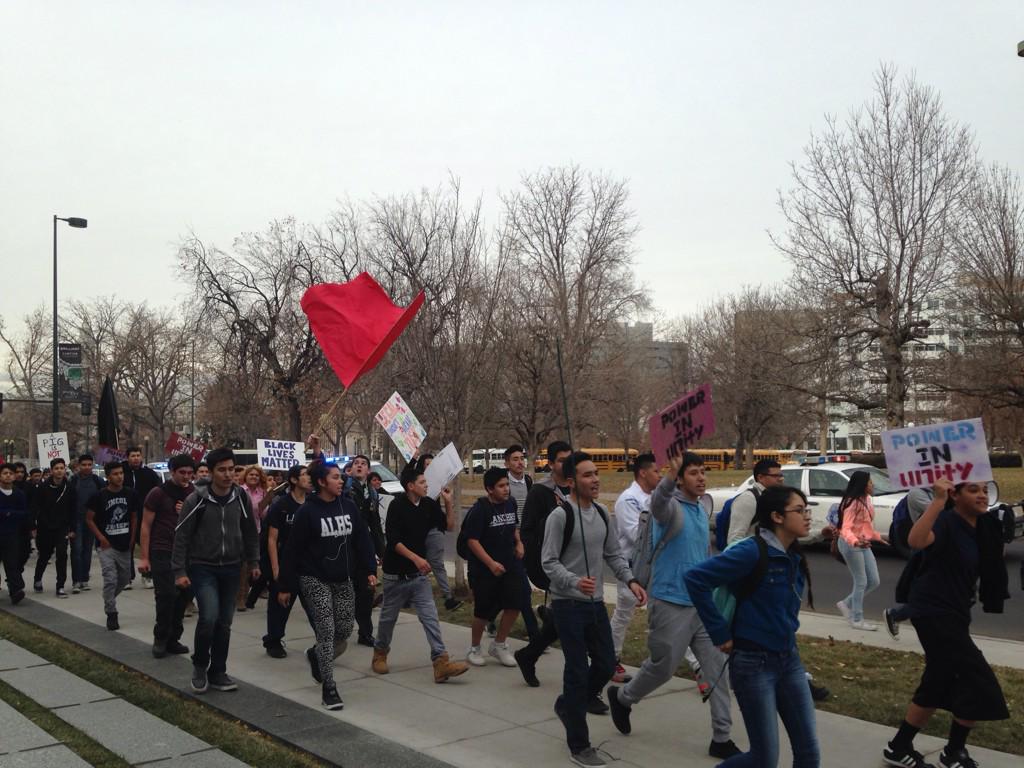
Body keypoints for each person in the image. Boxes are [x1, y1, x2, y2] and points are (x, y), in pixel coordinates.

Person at [607, 452, 740, 761]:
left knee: (718, 668)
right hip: (669, 601)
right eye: (694, 472)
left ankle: (721, 737)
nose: (702, 477)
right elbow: (657, 501)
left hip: (701, 606)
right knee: (663, 668)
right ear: (680, 478)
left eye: (703, 471)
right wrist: (670, 474)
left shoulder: (700, 509)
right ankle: (624, 698)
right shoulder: (668, 509)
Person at [685, 485, 820, 768]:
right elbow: (696, 579)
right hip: (753, 665)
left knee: (808, 754)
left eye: (807, 510)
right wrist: (719, 632)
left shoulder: (791, 554)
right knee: (763, 759)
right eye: (799, 510)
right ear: (777, 517)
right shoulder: (750, 552)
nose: (807, 516)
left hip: (789, 661)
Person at [882, 478, 1009, 768]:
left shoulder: (983, 525)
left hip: (956, 612)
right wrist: (938, 502)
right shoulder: (947, 521)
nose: (982, 495)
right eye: (973, 490)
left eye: (984, 490)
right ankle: (953, 752)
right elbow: (916, 541)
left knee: (938, 681)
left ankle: (898, 747)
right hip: (933, 613)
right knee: (980, 684)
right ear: (956, 494)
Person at [542, 451, 647, 768]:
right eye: (587, 475)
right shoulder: (560, 517)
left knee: (604, 665)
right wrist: (574, 581)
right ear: (572, 482)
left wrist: (630, 581)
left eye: (596, 473)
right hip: (567, 604)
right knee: (575, 672)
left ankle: (567, 705)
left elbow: (614, 555)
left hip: (595, 603)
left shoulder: (602, 513)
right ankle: (579, 744)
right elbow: (548, 561)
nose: (596, 479)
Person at [277, 461, 377, 711]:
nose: (341, 481)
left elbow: (362, 540)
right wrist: (285, 585)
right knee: (326, 630)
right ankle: (329, 687)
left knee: (343, 632)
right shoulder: (307, 513)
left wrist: (369, 571)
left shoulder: (350, 507)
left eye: (341, 477)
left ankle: (316, 655)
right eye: (335, 477)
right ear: (321, 482)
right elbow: (292, 551)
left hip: (344, 580)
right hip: (314, 579)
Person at [172, 447, 260, 695]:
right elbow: (182, 536)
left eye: (231, 469)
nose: (228, 474)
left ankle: (218, 671)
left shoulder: (240, 498)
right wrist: (179, 570)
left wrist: (253, 562)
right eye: (222, 470)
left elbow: (251, 532)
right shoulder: (196, 499)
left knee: (225, 622)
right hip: (203, 567)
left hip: (232, 568)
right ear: (210, 473)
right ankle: (200, 665)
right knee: (208, 617)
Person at [372, 464, 470, 684]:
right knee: (388, 619)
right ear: (410, 486)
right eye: (423, 482)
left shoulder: (427, 504)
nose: (427, 486)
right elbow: (394, 541)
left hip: (418, 577)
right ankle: (380, 653)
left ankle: (441, 663)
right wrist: (416, 558)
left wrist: (447, 503)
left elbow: (450, 527)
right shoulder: (397, 506)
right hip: (395, 575)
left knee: (431, 618)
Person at [513, 440, 574, 687]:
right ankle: (586, 682)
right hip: (553, 566)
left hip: (577, 564)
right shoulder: (541, 492)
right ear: (550, 464)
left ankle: (528, 655)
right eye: (561, 460)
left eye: (570, 458)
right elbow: (527, 531)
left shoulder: (577, 487)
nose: (567, 464)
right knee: (574, 622)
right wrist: (555, 516)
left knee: (563, 620)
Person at [609, 452, 660, 684]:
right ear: (643, 472)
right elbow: (635, 535)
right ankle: (611, 659)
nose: (660, 476)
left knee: (666, 612)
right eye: (656, 471)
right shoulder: (628, 500)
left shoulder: (657, 497)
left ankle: (697, 665)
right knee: (623, 614)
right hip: (631, 568)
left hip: (654, 566)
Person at [464, 467, 522, 667]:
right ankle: (474, 648)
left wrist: (519, 543)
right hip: (485, 569)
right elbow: (472, 541)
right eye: (501, 486)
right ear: (489, 489)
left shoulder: (511, 503)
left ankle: (499, 644)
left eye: (507, 485)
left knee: (515, 604)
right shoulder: (480, 509)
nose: (506, 489)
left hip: (509, 564)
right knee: (483, 611)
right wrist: (490, 563)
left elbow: (514, 526)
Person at [139, 454, 195, 657]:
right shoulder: (158, 493)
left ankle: (174, 638)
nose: (186, 477)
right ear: (172, 472)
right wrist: (144, 557)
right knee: (166, 596)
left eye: (190, 473)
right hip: (162, 550)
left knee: (184, 596)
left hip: (185, 553)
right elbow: (145, 526)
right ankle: (160, 638)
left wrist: (186, 512)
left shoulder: (194, 493)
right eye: (182, 473)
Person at [262, 464, 313, 658]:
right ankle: (274, 641)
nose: (308, 478)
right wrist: (276, 569)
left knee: (316, 607)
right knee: (280, 606)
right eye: (304, 475)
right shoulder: (281, 505)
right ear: (293, 480)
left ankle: (326, 641)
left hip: (309, 566)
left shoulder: (312, 503)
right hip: (286, 565)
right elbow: (272, 539)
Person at [86, 462, 140, 630]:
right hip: (107, 545)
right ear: (108, 477)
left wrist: (132, 538)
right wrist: (101, 537)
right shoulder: (99, 496)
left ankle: (108, 597)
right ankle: (111, 612)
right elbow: (89, 518)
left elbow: (134, 516)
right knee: (110, 578)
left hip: (124, 543)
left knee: (124, 579)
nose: (120, 476)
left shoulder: (130, 494)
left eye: (121, 473)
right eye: (115, 474)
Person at [835, 470, 883, 631]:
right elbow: (846, 528)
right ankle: (857, 619)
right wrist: (855, 542)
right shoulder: (853, 502)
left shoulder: (867, 499)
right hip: (851, 544)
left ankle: (846, 603)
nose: (872, 484)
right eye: (870, 482)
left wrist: (876, 537)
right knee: (861, 581)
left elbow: (865, 524)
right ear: (863, 485)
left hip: (863, 543)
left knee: (874, 581)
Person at [345, 454, 385, 646]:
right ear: (350, 470)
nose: (359, 466)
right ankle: (337, 632)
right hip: (345, 547)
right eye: (356, 464)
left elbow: (375, 524)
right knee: (345, 592)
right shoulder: (344, 487)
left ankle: (365, 633)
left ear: (368, 471)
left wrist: (382, 551)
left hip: (364, 548)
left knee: (366, 592)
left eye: (363, 464)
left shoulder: (373, 493)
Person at [504, 445, 541, 642]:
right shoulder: (504, 483)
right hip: (510, 538)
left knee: (513, 585)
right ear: (507, 463)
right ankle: (535, 633)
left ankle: (491, 620)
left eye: (521, 458)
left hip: (526, 537)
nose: (520, 462)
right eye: (515, 459)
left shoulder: (528, 480)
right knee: (522, 587)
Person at [31, 457, 77, 597]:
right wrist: (34, 526)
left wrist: (72, 529)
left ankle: (60, 586)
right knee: (44, 555)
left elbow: (73, 509)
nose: (59, 471)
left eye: (61, 468)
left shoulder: (69, 487)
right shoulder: (43, 488)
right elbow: (35, 507)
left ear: (65, 469)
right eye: (56, 468)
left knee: (62, 554)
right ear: (51, 471)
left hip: (62, 527)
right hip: (45, 527)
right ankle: (37, 579)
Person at [122, 446, 161, 589]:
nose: (136, 458)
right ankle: (127, 577)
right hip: (126, 515)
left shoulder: (149, 474)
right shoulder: (122, 473)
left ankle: (147, 575)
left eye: (138, 455)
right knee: (127, 547)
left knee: (147, 546)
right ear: (127, 457)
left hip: (145, 515)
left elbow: (158, 490)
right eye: (133, 456)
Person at [726, 459, 786, 545]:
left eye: (781, 475)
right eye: (776, 476)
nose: (781, 479)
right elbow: (734, 539)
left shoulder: (774, 497)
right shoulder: (748, 499)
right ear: (760, 477)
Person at [238, 464, 271, 611]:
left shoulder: (262, 493)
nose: (254, 477)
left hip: (254, 531)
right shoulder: (239, 491)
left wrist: (267, 503)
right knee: (240, 566)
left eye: (256, 475)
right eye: (251, 475)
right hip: (237, 531)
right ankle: (239, 596)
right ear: (245, 476)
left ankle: (242, 597)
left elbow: (263, 515)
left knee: (248, 565)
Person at [69, 453, 104, 594]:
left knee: (87, 550)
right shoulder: (73, 481)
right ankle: (76, 581)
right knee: (76, 550)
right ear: (79, 466)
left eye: (90, 465)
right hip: (76, 520)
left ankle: (84, 579)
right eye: (84, 465)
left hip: (92, 522)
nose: (87, 467)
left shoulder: (98, 481)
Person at [0, 463, 29, 605]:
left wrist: (9, 513)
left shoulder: (19, 494)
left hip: (12, 534)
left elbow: (23, 513)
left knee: (12, 563)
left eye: (11, 473)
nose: (8, 476)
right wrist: (8, 513)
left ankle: (15, 591)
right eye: (5, 473)